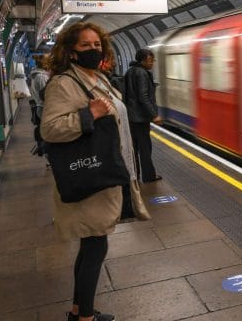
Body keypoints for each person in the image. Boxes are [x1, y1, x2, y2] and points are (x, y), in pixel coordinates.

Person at [40, 22, 150, 321]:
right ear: (71, 51)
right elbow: (50, 129)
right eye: (85, 45)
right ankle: (85, 317)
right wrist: (90, 114)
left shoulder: (95, 76)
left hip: (103, 172)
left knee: (91, 245)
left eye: (97, 44)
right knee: (95, 246)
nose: (93, 49)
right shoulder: (64, 82)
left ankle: (79, 310)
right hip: (89, 176)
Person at [124, 48, 162, 183]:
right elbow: (143, 96)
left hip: (130, 116)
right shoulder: (142, 73)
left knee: (133, 148)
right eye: (150, 60)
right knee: (145, 147)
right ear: (143, 60)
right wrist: (154, 115)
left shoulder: (130, 71)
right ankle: (149, 176)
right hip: (140, 118)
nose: (152, 63)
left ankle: (135, 175)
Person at [29, 54, 50, 157]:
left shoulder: (40, 75)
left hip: (42, 108)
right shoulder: (41, 77)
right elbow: (46, 96)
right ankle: (48, 154)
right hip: (44, 109)